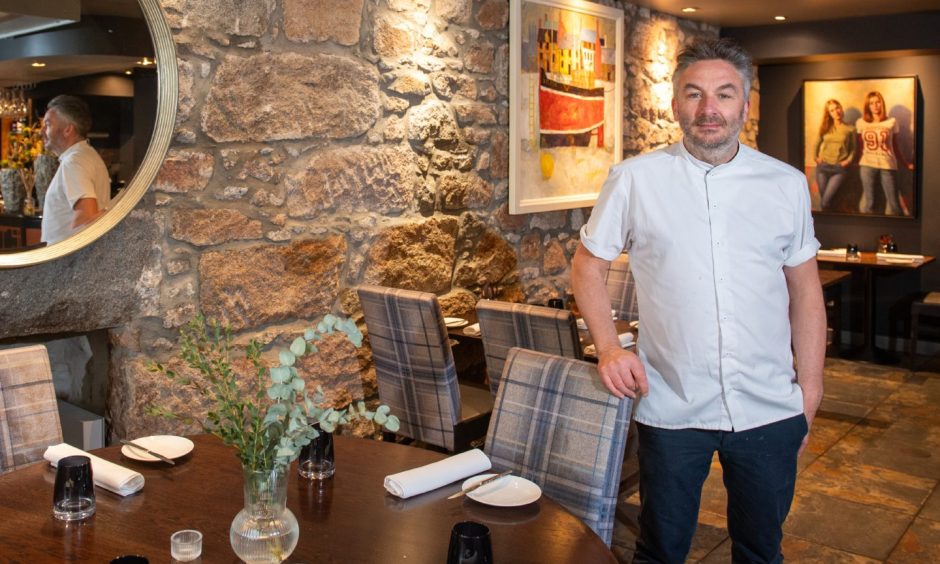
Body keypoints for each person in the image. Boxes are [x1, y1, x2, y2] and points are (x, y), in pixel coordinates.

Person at [571, 38, 826, 563]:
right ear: (675, 105)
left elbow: (805, 290)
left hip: (769, 406)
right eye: (695, 94)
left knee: (761, 549)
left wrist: (812, 388)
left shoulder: (786, 185)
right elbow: (587, 268)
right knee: (661, 549)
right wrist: (610, 349)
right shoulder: (634, 180)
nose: (709, 109)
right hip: (672, 404)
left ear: (745, 106)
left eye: (724, 95)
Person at [40, 95, 111, 245]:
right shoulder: (87, 155)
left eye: (48, 125)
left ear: (67, 130)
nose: (42, 131)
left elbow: (86, 216)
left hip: (67, 262)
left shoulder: (74, 162)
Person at [855, 90, 912, 215]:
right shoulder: (861, 122)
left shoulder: (891, 121)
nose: (875, 106)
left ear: (882, 103)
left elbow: (895, 147)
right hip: (867, 165)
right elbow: (860, 146)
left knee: (894, 203)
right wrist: (856, 163)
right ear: (867, 106)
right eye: (871, 103)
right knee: (869, 202)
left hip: (887, 164)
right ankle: (866, 229)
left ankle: (897, 231)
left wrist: (905, 163)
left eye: (877, 102)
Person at [813, 98, 856, 210]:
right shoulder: (825, 127)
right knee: (827, 203)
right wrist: (816, 158)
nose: (836, 112)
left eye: (837, 108)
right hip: (823, 168)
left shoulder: (850, 129)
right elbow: (816, 144)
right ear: (829, 114)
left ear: (841, 108)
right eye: (832, 110)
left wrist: (848, 161)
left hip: (839, 169)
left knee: (825, 202)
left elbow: (853, 149)